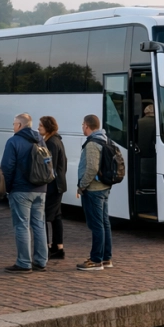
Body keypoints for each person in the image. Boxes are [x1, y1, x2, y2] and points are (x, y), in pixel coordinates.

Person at [1, 113, 48, 273]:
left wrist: (5, 188)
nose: (13, 126)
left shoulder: (13, 141)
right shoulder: (40, 139)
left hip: (21, 189)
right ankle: (41, 261)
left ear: (20, 125)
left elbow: (7, 167)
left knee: (22, 225)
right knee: (39, 224)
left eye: (14, 123)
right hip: (41, 189)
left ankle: (24, 262)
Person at [76, 114, 113, 270]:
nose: (82, 127)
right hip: (104, 188)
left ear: (87, 125)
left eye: (83, 124)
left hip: (93, 190)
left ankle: (96, 260)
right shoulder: (105, 140)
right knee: (104, 224)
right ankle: (106, 258)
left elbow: (91, 168)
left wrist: (82, 186)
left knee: (97, 225)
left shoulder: (92, 144)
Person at [39, 116, 68, 260]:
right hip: (59, 184)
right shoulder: (58, 141)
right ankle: (58, 247)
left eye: (41, 126)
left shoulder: (50, 143)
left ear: (47, 127)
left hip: (52, 186)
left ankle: (45, 248)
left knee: (43, 217)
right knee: (56, 217)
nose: (38, 128)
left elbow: (50, 167)